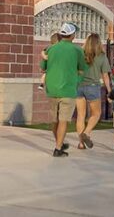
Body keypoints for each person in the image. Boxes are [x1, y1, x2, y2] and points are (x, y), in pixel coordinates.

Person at [41, 23, 87, 157]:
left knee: (55, 120)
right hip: (68, 89)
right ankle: (58, 148)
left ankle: (59, 143)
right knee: (63, 121)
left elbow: (43, 67)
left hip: (52, 89)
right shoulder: (77, 50)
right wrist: (76, 81)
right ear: (72, 35)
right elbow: (82, 69)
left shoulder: (51, 48)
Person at [75, 33, 111, 149]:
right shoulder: (101, 56)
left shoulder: (80, 54)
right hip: (93, 86)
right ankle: (86, 133)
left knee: (80, 115)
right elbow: (105, 76)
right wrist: (109, 90)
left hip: (78, 86)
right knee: (96, 114)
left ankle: (81, 143)